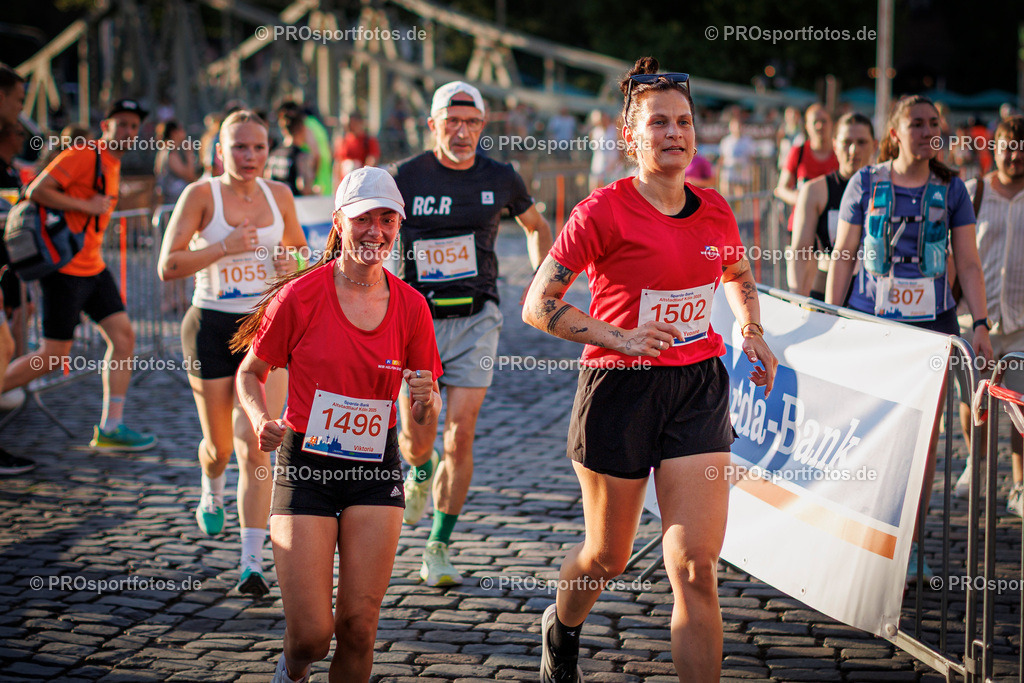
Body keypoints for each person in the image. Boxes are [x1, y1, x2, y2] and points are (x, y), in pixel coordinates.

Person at [522, 57, 778, 683]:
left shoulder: (715, 210)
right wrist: (622, 337)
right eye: (659, 122)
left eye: (683, 122)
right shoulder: (600, 212)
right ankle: (563, 626)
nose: (674, 133)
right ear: (630, 137)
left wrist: (751, 330)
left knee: (695, 565)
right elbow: (538, 305)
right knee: (607, 557)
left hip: (698, 386)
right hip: (619, 387)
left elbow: (737, 274)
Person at [232, 166, 442, 683]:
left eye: (387, 220)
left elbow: (423, 416)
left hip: (375, 469)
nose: (376, 231)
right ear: (338, 223)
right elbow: (250, 373)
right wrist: (260, 418)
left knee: (359, 629)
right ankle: (290, 670)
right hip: (306, 468)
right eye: (363, 219)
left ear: (399, 225)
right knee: (310, 635)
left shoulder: (412, 306)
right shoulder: (300, 296)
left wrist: (426, 403)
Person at [390, 80, 553, 586]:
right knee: (417, 436)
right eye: (452, 122)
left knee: (461, 433)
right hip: (416, 321)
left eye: (472, 123)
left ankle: (438, 547)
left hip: (478, 319)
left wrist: (540, 281)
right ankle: (420, 469)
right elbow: (368, 229)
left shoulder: (500, 176)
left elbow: (537, 226)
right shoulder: (405, 176)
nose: (462, 132)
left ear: (483, 126)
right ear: (432, 125)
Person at [827, 94, 994, 577]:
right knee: (868, 433)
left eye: (934, 123)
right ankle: (861, 534)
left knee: (921, 441)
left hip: (932, 331)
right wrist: (832, 319)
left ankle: (910, 544)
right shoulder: (865, 182)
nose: (927, 132)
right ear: (895, 132)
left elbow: (969, 263)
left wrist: (981, 324)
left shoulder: (952, 188)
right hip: (873, 328)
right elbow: (844, 254)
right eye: (917, 123)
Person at [158, 110, 308, 595]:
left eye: (258, 147)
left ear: (268, 151)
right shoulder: (200, 195)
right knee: (220, 447)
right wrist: (223, 247)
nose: (249, 156)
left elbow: (304, 255)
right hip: (210, 328)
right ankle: (211, 482)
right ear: (220, 151)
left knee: (255, 441)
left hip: (265, 330)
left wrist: (291, 262)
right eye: (239, 147)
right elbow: (168, 265)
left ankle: (251, 563)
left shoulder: (279, 194)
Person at [3, 98, 157, 451]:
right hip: (66, 269)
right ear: (105, 126)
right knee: (52, 356)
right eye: (122, 124)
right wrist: (85, 205)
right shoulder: (86, 153)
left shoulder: (113, 162)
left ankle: (111, 427)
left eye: (134, 126)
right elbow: (37, 189)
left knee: (124, 337)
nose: (129, 132)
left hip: (94, 267)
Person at [954, 115, 1024, 515]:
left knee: (1021, 407)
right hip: (976, 317)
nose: (1015, 155)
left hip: (1021, 321)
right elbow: (955, 252)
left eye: (1022, 148)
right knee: (972, 399)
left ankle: (1019, 483)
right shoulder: (973, 192)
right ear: (993, 149)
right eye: (1008, 147)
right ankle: (975, 462)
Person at [788, 113, 877, 299]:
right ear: (835, 145)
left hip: (874, 292)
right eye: (847, 142)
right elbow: (800, 252)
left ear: (874, 145)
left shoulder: (887, 189)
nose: (853, 150)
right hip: (826, 287)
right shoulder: (815, 191)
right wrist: (796, 299)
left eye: (861, 142)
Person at [775, 104, 839, 231]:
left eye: (824, 121)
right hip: (801, 225)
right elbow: (780, 189)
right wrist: (801, 198)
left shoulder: (841, 153)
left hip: (833, 227)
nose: (819, 126)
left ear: (832, 124)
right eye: (815, 122)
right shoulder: (798, 152)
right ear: (807, 126)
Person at [266, 107, 316, 196]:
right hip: (294, 201)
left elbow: (267, 179)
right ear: (301, 128)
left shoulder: (274, 153)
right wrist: (315, 192)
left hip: (275, 200)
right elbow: (304, 187)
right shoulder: (301, 156)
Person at [154, 120, 197, 207]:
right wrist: (189, 154)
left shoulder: (166, 150)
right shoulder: (170, 153)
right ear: (174, 133)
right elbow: (190, 176)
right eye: (181, 129)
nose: (184, 132)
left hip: (171, 200)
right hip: (173, 202)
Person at [333, 113, 380, 186]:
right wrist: (336, 183)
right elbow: (338, 162)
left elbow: (372, 159)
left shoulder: (368, 140)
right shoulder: (343, 140)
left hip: (362, 181)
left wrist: (362, 175)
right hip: (345, 182)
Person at [717, 115, 755, 197]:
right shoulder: (726, 141)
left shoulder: (748, 141)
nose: (737, 128)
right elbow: (722, 157)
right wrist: (719, 172)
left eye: (738, 126)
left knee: (742, 196)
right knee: (728, 195)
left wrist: (751, 171)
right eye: (734, 126)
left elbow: (752, 157)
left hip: (743, 172)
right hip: (729, 173)